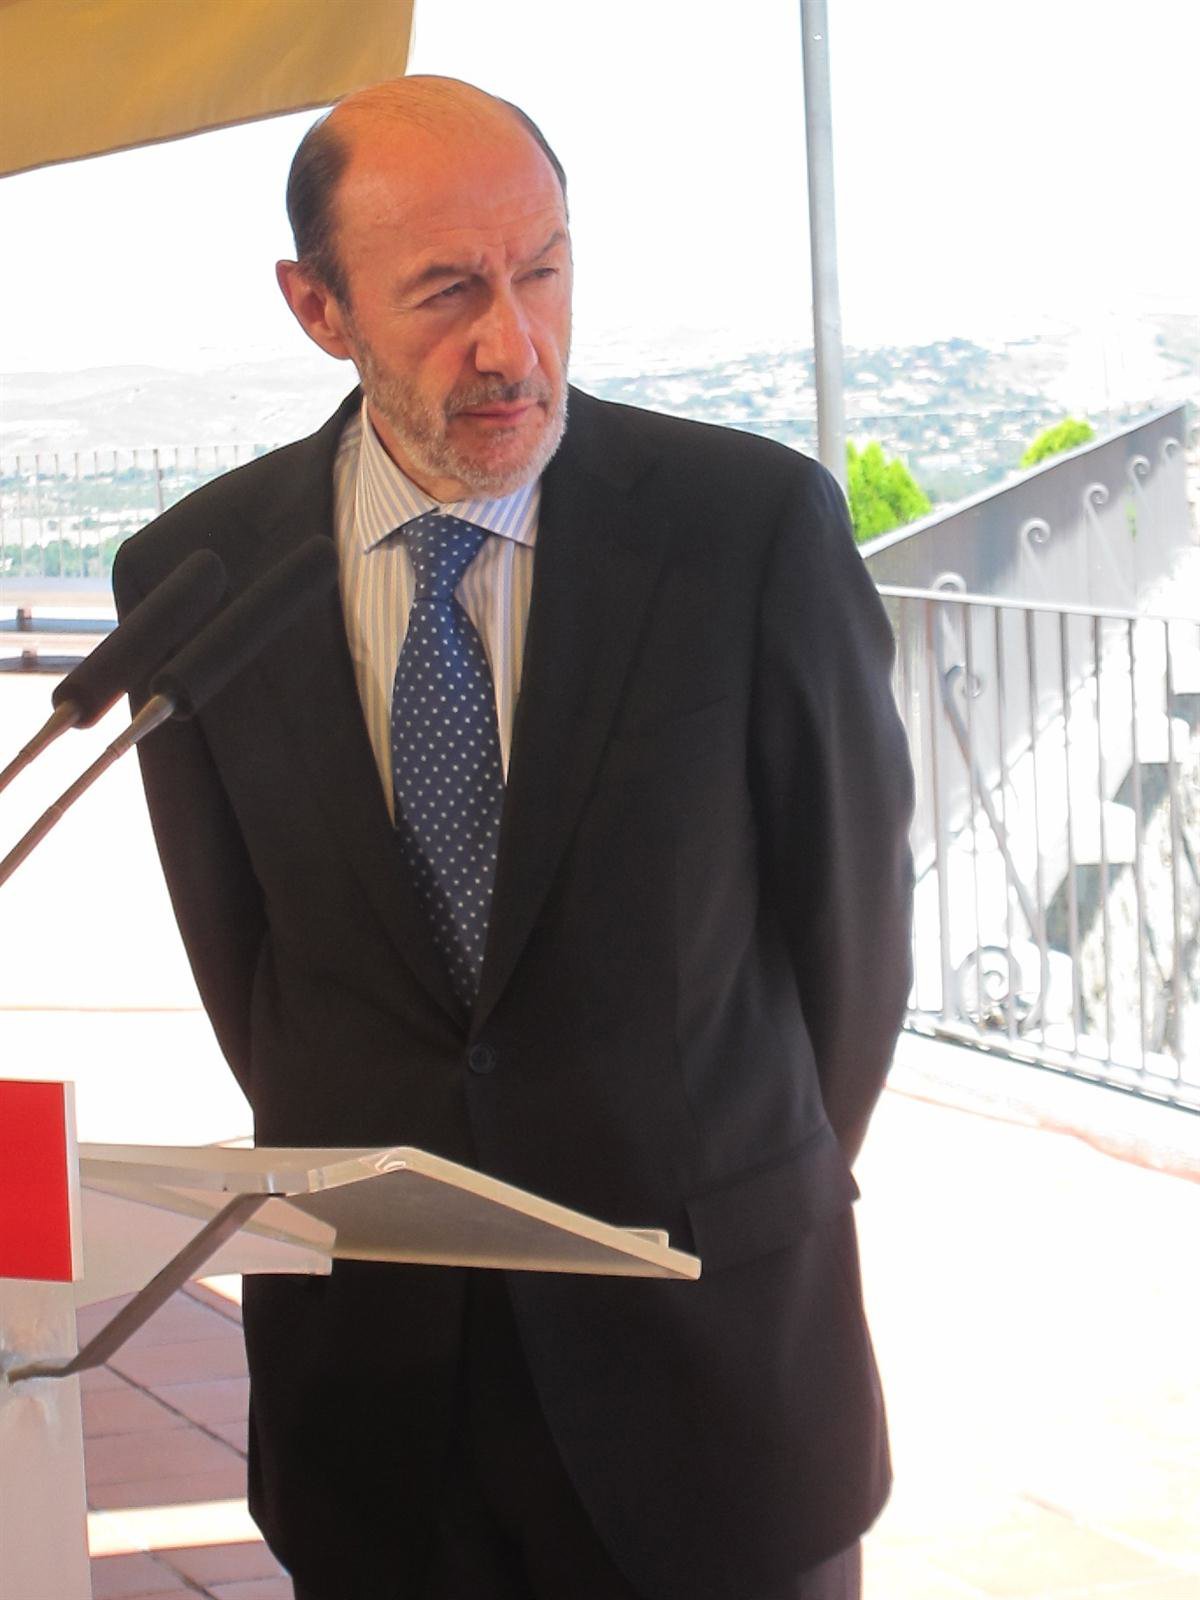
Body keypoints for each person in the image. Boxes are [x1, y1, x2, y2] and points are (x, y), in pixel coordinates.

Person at [114, 76, 914, 1600]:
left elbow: (853, 941)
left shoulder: (748, 530)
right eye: (446, 292)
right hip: (378, 1400)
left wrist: (730, 1178)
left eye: (542, 270)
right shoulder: (196, 575)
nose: (511, 342)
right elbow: (255, 981)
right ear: (318, 307)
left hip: (713, 1374)